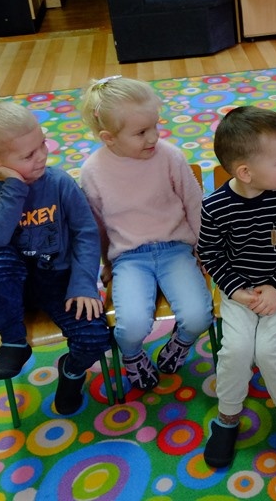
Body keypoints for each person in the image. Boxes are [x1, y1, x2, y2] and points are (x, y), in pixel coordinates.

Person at [197, 106, 276, 475]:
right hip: (240, 293)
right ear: (245, 172)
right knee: (235, 350)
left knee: (269, 350)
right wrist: (235, 291)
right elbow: (211, 254)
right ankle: (227, 417)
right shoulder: (215, 207)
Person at [0, 100, 110, 415]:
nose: (42, 156)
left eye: (42, 145)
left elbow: (86, 233)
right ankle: (14, 342)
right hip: (14, 288)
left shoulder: (59, 182)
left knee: (96, 338)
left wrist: (83, 284)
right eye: (28, 155)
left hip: (60, 282)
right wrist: (14, 186)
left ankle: (71, 372)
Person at [79, 76, 213, 391]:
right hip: (129, 259)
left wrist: (204, 250)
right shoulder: (92, 171)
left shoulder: (170, 157)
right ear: (108, 138)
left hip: (176, 250)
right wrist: (106, 263)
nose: (153, 137)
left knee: (199, 317)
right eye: (141, 132)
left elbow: (195, 205)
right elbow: (96, 226)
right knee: (131, 327)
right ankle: (132, 356)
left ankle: (181, 342)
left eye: (155, 125)